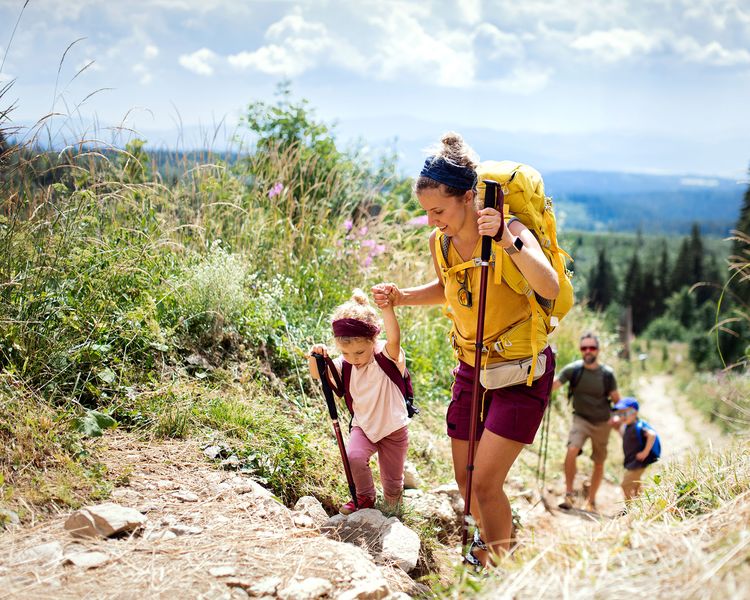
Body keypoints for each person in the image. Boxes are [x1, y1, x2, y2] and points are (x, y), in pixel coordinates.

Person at [372, 132, 559, 565]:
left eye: (438, 210)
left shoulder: (509, 230)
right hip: (471, 367)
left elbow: (547, 284)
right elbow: (447, 288)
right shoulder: (441, 242)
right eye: (427, 212)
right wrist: (402, 297)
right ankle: (490, 550)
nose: (433, 219)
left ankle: (497, 566)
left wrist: (509, 243)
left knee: (486, 483)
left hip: (520, 369)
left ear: (469, 197)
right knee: (465, 479)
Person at [308, 289, 410, 515]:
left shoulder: (386, 356)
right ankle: (365, 497)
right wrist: (314, 356)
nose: (354, 358)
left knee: (392, 481)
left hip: (393, 428)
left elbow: (394, 337)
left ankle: (394, 508)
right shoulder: (345, 364)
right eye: (345, 352)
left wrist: (387, 309)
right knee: (354, 456)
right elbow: (318, 374)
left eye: (360, 352)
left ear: (373, 340)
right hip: (363, 425)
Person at [552, 332, 621, 511]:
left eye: (592, 348)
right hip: (580, 419)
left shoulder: (607, 374)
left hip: (602, 422)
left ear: (598, 350)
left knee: (598, 462)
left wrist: (619, 418)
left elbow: (617, 400)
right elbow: (553, 385)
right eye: (584, 348)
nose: (588, 351)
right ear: (580, 350)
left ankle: (591, 500)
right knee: (571, 450)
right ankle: (569, 495)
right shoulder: (573, 370)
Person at [610, 397, 659, 502]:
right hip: (632, 461)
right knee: (636, 484)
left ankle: (629, 507)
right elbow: (627, 439)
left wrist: (645, 452)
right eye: (620, 414)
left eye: (624, 413)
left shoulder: (639, 426)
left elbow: (652, 435)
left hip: (639, 462)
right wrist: (617, 428)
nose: (621, 417)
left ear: (634, 413)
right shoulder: (628, 427)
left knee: (625, 484)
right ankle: (641, 502)